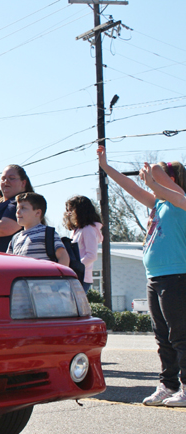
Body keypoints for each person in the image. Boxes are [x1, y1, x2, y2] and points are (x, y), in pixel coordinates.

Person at [98, 146, 186, 407]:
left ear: (173, 179)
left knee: (180, 335)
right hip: (155, 277)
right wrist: (106, 166)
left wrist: (153, 177)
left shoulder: (180, 199)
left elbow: (162, 183)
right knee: (162, 337)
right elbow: (131, 187)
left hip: (177, 277)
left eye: (161, 175)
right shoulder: (159, 202)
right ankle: (168, 385)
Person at [6, 193, 69, 266]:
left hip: (42, 277)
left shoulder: (47, 233)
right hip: (20, 277)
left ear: (38, 213)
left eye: (23, 208)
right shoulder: (15, 238)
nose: (17, 212)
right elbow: (9, 262)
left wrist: (59, 276)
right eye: (17, 208)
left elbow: (63, 256)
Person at [64, 196, 103, 291]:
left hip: (82, 278)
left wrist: (76, 267)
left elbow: (91, 256)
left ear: (80, 211)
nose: (68, 214)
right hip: (76, 276)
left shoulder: (88, 229)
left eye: (71, 210)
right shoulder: (78, 230)